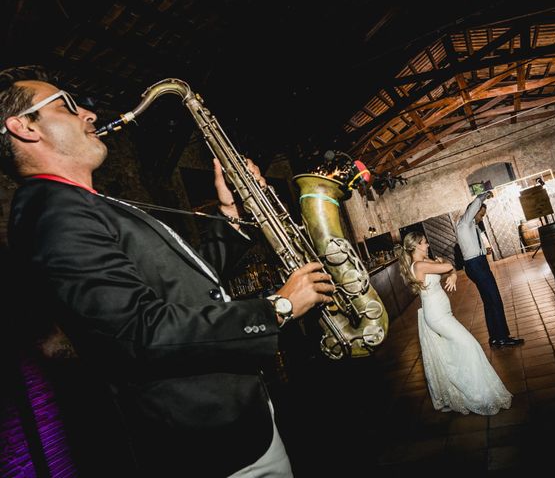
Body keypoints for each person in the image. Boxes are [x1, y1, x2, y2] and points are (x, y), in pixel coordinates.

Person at [0, 65, 334, 477]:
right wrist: (277, 308)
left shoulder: (80, 204)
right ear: (23, 128)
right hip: (211, 448)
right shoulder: (53, 216)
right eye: (67, 106)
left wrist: (230, 212)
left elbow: (189, 285)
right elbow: (142, 332)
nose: (88, 114)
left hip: (238, 423)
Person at [398, 232, 512, 415]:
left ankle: (460, 390)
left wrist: (453, 275)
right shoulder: (419, 265)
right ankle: (479, 395)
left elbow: (448, 269)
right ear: (417, 246)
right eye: (425, 243)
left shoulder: (425, 263)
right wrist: (446, 268)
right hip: (437, 316)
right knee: (470, 345)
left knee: (455, 351)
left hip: (442, 313)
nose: (427, 245)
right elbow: (449, 265)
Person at [456, 191, 524, 348]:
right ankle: (503, 337)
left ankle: (494, 337)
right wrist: (484, 194)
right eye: (481, 214)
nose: (482, 217)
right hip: (475, 265)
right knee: (495, 299)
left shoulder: (472, 225)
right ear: (473, 211)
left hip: (478, 264)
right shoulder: (464, 223)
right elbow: (475, 205)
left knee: (489, 302)